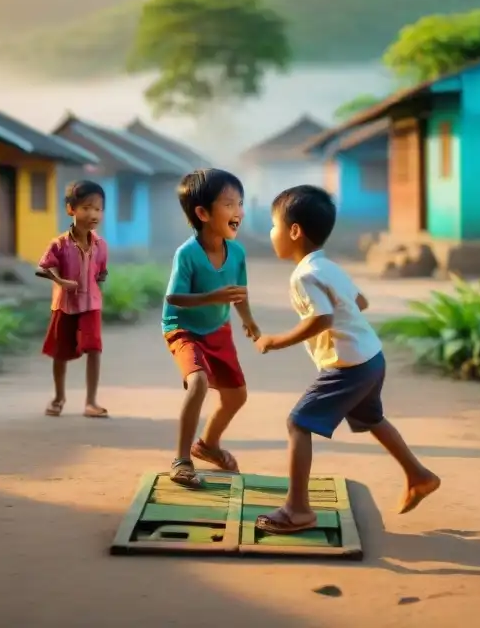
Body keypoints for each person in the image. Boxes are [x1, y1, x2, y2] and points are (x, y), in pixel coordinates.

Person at [253, 185, 441, 533]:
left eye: (274, 225)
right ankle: (418, 475)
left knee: (299, 423)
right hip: (371, 357)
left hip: (349, 366)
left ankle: (297, 510)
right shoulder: (326, 266)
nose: (271, 233)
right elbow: (361, 303)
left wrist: (276, 341)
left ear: (294, 231)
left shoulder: (303, 276)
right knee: (371, 418)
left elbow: (321, 318)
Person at [162, 168, 259, 488]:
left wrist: (248, 320)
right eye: (229, 204)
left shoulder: (238, 252)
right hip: (183, 327)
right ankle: (181, 459)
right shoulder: (187, 254)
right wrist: (211, 297)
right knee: (199, 383)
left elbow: (238, 293)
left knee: (237, 396)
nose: (238, 212)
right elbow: (174, 298)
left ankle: (207, 445)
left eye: (240, 204)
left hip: (218, 328)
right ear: (202, 213)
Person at [36, 180, 110, 419]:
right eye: (87, 207)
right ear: (71, 209)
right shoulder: (59, 244)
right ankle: (59, 397)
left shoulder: (101, 245)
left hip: (91, 306)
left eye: (98, 209)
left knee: (94, 350)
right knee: (60, 352)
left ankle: (91, 401)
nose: (93, 214)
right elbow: (44, 267)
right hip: (65, 306)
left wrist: (96, 289)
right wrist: (61, 282)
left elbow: (101, 272)